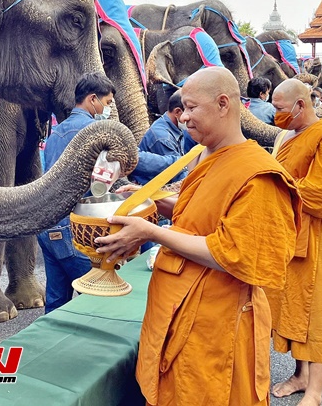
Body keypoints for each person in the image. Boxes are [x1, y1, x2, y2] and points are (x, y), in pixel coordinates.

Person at [95, 67, 302, 405]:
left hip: (215, 320)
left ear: (223, 104)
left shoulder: (258, 176)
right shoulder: (207, 154)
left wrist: (151, 232)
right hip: (177, 304)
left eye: (191, 108)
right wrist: (157, 203)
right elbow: (200, 217)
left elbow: (233, 253)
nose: (184, 117)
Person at [37, 72, 174, 313]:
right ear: (92, 99)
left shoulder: (56, 132)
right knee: (99, 300)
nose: (108, 108)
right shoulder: (96, 130)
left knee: (57, 301)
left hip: (48, 227)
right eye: (108, 102)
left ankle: (50, 347)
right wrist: (174, 163)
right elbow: (135, 158)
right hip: (75, 228)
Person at [267, 80, 322, 406]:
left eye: (280, 108)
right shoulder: (286, 136)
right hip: (290, 232)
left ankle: (315, 391)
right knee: (292, 307)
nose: (276, 114)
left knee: (318, 310)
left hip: (320, 234)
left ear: (301, 105)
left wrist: (276, 186)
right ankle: (301, 375)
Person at [130, 90, 187, 185]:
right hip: (149, 190)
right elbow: (178, 173)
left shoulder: (174, 127)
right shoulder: (163, 138)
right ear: (177, 112)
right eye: (190, 110)